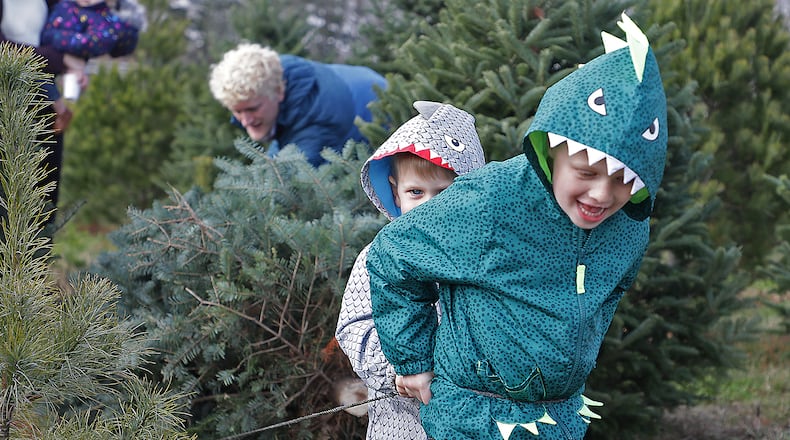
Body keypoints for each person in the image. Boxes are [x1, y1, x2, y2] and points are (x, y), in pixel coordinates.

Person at [366, 14, 668, 439]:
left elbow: (611, 288)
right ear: (553, 149)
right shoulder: (492, 203)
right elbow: (392, 256)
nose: (602, 195)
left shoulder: (628, 226)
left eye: (622, 180)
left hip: (559, 416)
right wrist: (412, 361)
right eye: (585, 172)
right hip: (472, 417)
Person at [336, 100, 486, 439]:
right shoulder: (378, 256)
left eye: (444, 193)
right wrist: (397, 371)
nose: (429, 207)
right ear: (395, 192)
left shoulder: (484, 258)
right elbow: (355, 327)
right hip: (401, 422)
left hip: (474, 415)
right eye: (416, 192)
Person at [208, 43, 387, 167]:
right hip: (356, 79)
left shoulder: (318, 119)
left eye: (252, 109)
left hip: (382, 104)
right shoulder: (270, 71)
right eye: (237, 111)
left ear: (279, 91)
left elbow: (287, 179)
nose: (245, 120)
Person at [0, 0, 88, 216]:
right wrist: (59, 60)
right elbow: (4, 51)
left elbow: (72, 37)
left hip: (43, 112)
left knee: (41, 210)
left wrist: (73, 69)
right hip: (6, 106)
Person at [40, 0, 146, 61]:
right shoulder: (64, 6)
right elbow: (48, 34)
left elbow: (93, 42)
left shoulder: (105, 19)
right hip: (44, 58)